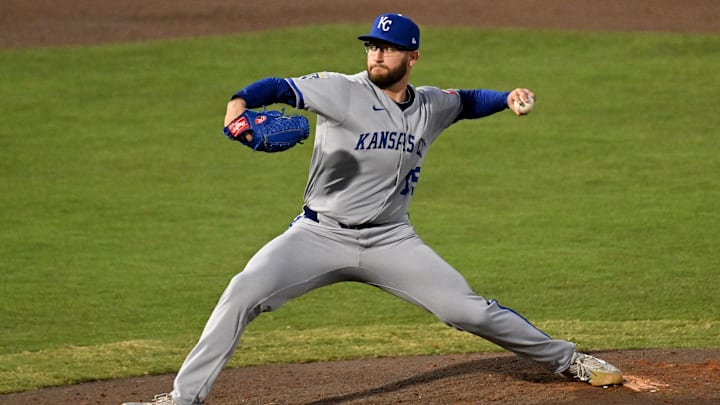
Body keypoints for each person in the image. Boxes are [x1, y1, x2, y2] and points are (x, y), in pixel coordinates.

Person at [123, 13, 622, 405]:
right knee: (242, 291)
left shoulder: (429, 104)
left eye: (388, 47)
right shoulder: (340, 89)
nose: (377, 54)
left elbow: (467, 100)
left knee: (465, 309)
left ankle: (568, 360)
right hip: (318, 235)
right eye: (372, 46)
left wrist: (506, 98)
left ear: (413, 56)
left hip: (391, 240)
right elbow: (276, 87)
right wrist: (237, 108)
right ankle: (182, 400)